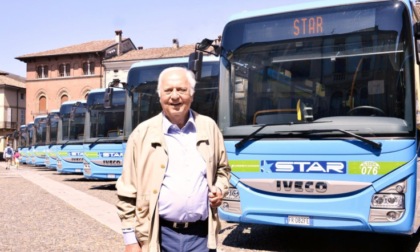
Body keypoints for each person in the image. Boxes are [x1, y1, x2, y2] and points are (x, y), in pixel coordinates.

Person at [116, 67, 231, 252]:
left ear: (192, 95)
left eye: (182, 90)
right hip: (159, 236)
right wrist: (130, 239)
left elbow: (223, 170)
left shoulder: (209, 127)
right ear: (159, 95)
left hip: (201, 236)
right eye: (168, 90)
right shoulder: (141, 134)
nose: (175, 96)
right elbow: (127, 192)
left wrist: (219, 188)